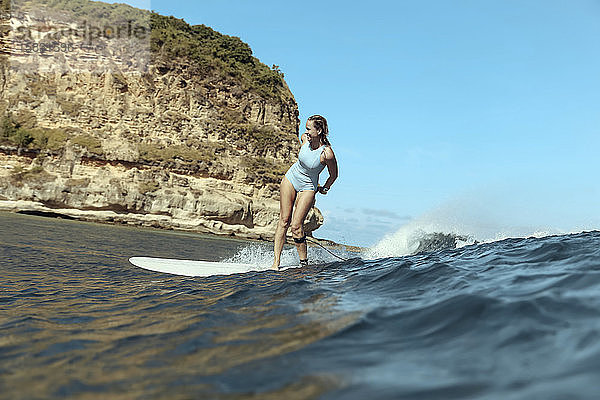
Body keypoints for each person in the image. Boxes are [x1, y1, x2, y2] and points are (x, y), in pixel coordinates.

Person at [271, 115, 338, 270]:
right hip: (291, 178)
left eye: (309, 128)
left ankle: (303, 264)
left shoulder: (326, 153)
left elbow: (334, 174)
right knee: (284, 220)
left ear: (319, 130)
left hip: (308, 186)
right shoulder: (304, 139)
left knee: (296, 226)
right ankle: (276, 262)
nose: (306, 131)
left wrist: (325, 188)